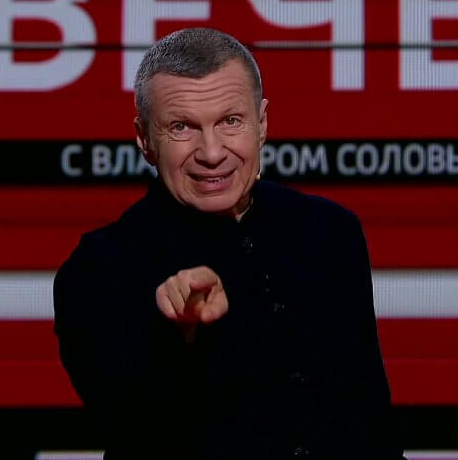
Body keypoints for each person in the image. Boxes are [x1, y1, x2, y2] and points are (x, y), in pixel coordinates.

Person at [53, 27, 403, 460]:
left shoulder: (331, 231)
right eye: (182, 127)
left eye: (230, 121)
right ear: (144, 139)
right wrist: (180, 336)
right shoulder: (98, 267)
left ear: (262, 124)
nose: (212, 152)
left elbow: (371, 417)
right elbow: (125, 427)